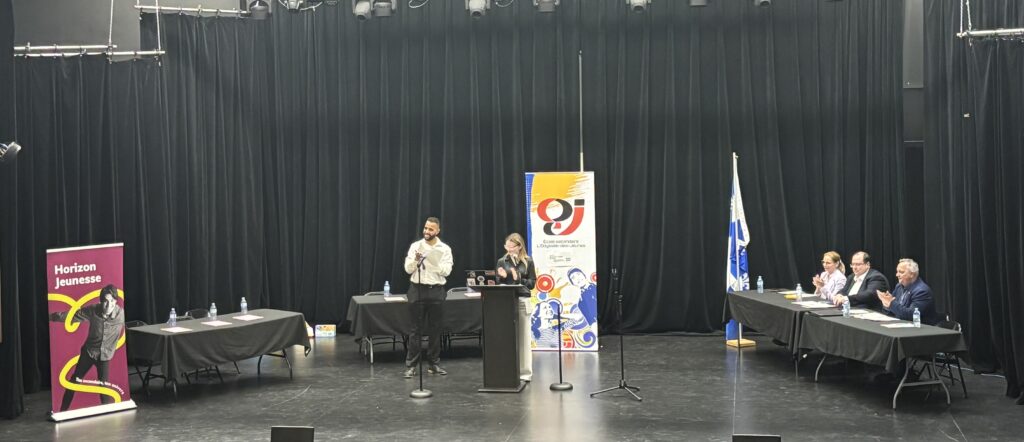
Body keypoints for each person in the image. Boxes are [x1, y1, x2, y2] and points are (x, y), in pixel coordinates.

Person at [49, 284, 125, 412]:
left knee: (104, 388)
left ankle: (108, 415)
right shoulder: (93, 310)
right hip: (89, 353)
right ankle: (62, 412)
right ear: (101, 301)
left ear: (116, 301)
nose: (109, 305)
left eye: (112, 301)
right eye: (106, 301)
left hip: (105, 356)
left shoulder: (121, 315)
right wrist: (51, 316)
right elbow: (72, 316)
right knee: (74, 381)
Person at [403, 217, 454, 378]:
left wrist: (433, 261)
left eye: (431, 229)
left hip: (436, 291)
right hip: (417, 289)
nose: (427, 231)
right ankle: (411, 365)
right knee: (415, 330)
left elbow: (446, 271)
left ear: (437, 231)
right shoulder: (416, 246)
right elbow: (407, 269)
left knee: (435, 329)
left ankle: (433, 364)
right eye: (425, 228)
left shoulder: (444, 249)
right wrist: (416, 260)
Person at [496, 233, 536, 382]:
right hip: (507, 301)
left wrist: (518, 278)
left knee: (524, 338)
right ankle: (507, 371)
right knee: (507, 337)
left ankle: (525, 373)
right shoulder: (502, 261)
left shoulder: (528, 261)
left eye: (512, 247)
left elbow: (532, 283)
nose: (509, 249)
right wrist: (501, 277)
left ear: (519, 246)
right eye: (507, 246)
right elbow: (497, 282)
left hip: (522, 300)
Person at [876, 258, 939, 325]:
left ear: (912, 274)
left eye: (901, 272)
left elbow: (911, 315)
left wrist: (891, 303)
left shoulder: (922, 291)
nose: (897, 275)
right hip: (901, 324)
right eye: (897, 272)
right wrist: (886, 303)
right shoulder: (899, 286)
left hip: (919, 328)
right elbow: (892, 311)